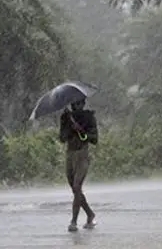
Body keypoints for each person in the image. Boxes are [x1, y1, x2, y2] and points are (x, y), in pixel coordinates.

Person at [59, 98, 98, 232]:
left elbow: (94, 139)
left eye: (79, 103)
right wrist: (69, 127)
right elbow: (62, 138)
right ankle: (90, 214)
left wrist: (81, 131)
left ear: (83, 103)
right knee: (75, 190)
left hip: (82, 154)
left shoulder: (89, 117)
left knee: (77, 186)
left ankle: (73, 221)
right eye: (74, 104)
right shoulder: (65, 118)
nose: (76, 106)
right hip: (70, 154)